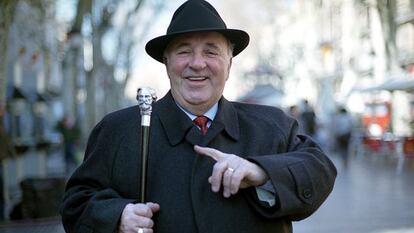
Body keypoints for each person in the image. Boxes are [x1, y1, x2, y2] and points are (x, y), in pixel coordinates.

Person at [60, 1, 337, 233]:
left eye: (211, 51)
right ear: (167, 62)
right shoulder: (118, 130)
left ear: (229, 62)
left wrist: (263, 172)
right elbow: (76, 204)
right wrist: (117, 216)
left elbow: (320, 169)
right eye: (184, 51)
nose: (197, 63)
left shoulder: (272, 125)